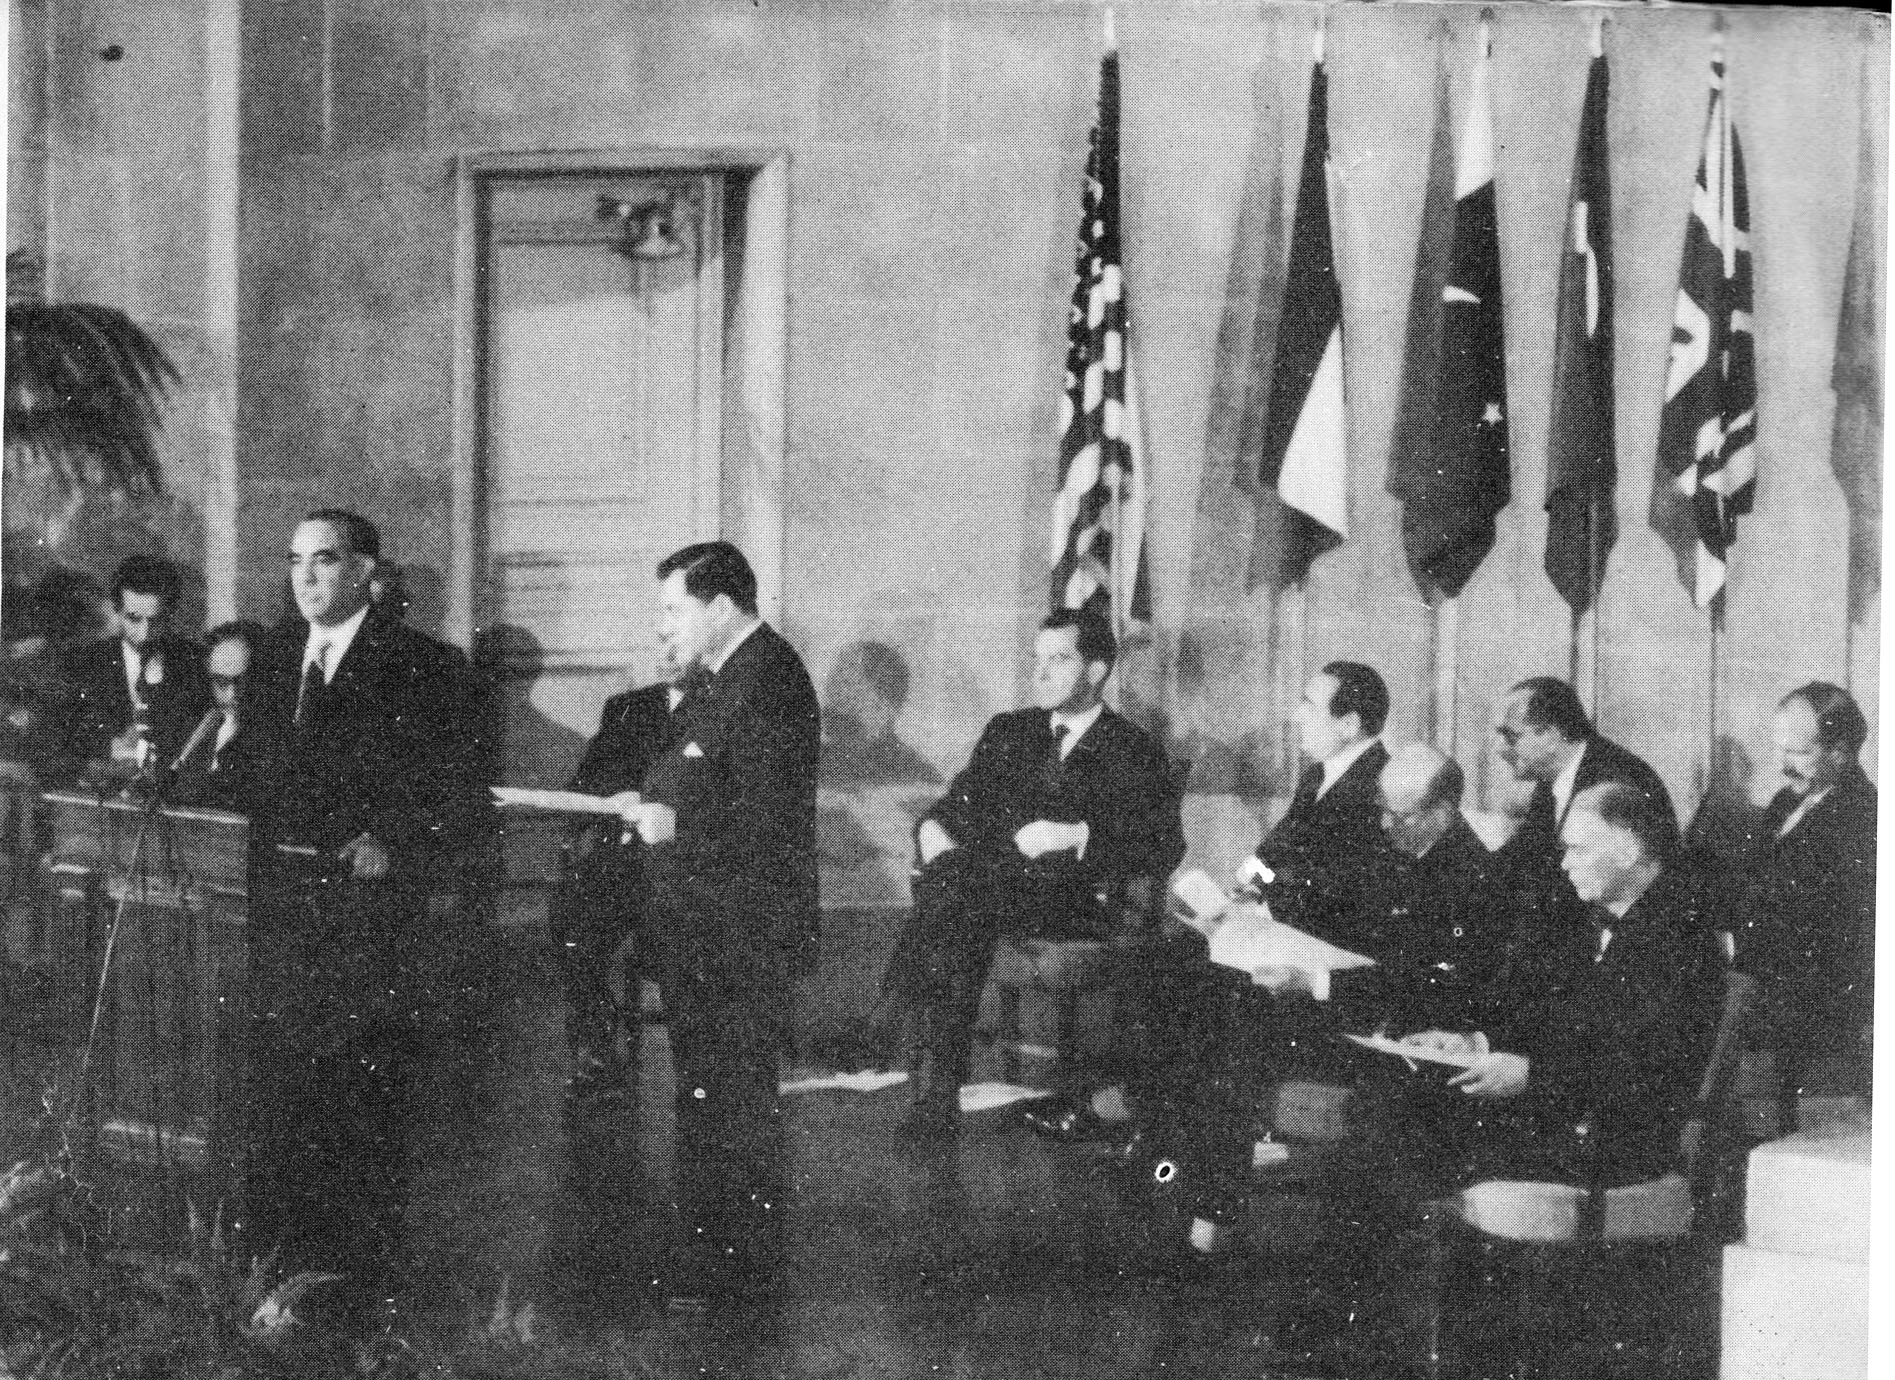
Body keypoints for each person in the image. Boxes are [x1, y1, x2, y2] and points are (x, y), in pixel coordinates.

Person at [1280, 781, 1727, 1370]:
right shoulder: (1617, 920)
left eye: (1577, 849)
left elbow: (1642, 1074)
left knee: (1391, 1128)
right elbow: (1570, 1031)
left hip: (1614, 1143)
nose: (1564, 864)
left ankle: (1379, 1341)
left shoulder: (1678, 938)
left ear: (1627, 849)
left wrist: (1529, 1077)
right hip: (1572, 1115)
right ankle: (1378, 1331)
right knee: (1385, 1109)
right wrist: (1475, 1045)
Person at [242, 509, 472, 1328]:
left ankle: (357, 1295)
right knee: (285, 1106)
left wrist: (395, 843)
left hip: (370, 926)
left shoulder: (425, 667)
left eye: (325, 560)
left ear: (368, 572)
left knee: (359, 1112)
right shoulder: (276, 656)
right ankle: (282, 1280)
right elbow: (252, 776)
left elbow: (458, 793)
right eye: (295, 560)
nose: (305, 577)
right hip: (281, 918)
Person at [859, 607, 1185, 1142]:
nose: (1040, 672)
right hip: (993, 892)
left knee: (951, 895)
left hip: (1076, 904)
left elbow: (1162, 845)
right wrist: (932, 830)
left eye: (1059, 660)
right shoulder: (1010, 731)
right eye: (1038, 658)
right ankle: (927, 1087)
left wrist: (1078, 834)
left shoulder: (1134, 750)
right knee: (957, 898)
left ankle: (895, 1038)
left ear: (1097, 670)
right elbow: (956, 805)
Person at [617, 540, 819, 1313]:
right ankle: (720, 1261)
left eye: (674, 609)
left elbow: (770, 819)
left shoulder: (767, 678)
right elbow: (698, 777)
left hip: (740, 931)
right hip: (705, 926)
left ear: (722, 607)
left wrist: (677, 824)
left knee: (730, 1102)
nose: (663, 624)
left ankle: (730, 1273)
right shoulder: (726, 675)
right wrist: (657, 805)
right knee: (710, 1098)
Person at [553, 651, 694, 1103]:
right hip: (626, 866)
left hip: (689, 869)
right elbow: (585, 783)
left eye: (678, 640)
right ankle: (596, 1043)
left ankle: (705, 1057)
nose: (668, 655)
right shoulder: (627, 708)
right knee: (573, 920)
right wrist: (617, 797)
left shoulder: (727, 709)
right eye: (663, 642)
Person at [1736, 682, 1876, 1101]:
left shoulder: (1864, 819)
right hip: (1764, 1000)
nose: (1783, 766)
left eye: (1797, 753)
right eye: (1780, 750)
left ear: (1840, 752)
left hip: (1815, 1025)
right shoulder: (1785, 802)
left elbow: (1844, 942)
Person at [1490, 677, 1675, 924]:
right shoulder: (1552, 779)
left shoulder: (1618, 778)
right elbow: (1522, 861)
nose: (1499, 748)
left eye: (1511, 737)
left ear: (1552, 735)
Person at [59, 553, 210, 777]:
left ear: (171, 613)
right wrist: (108, 748)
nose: (145, 634)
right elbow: (59, 742)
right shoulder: (82, 663)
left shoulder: (198, 663)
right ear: (117, 611)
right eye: (134, 619)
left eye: (156, 620)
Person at [171, 619, 270, 812]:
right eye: (221, 682)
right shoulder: (196, 727)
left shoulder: (271, 737)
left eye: (242, 681)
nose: (232, 694)